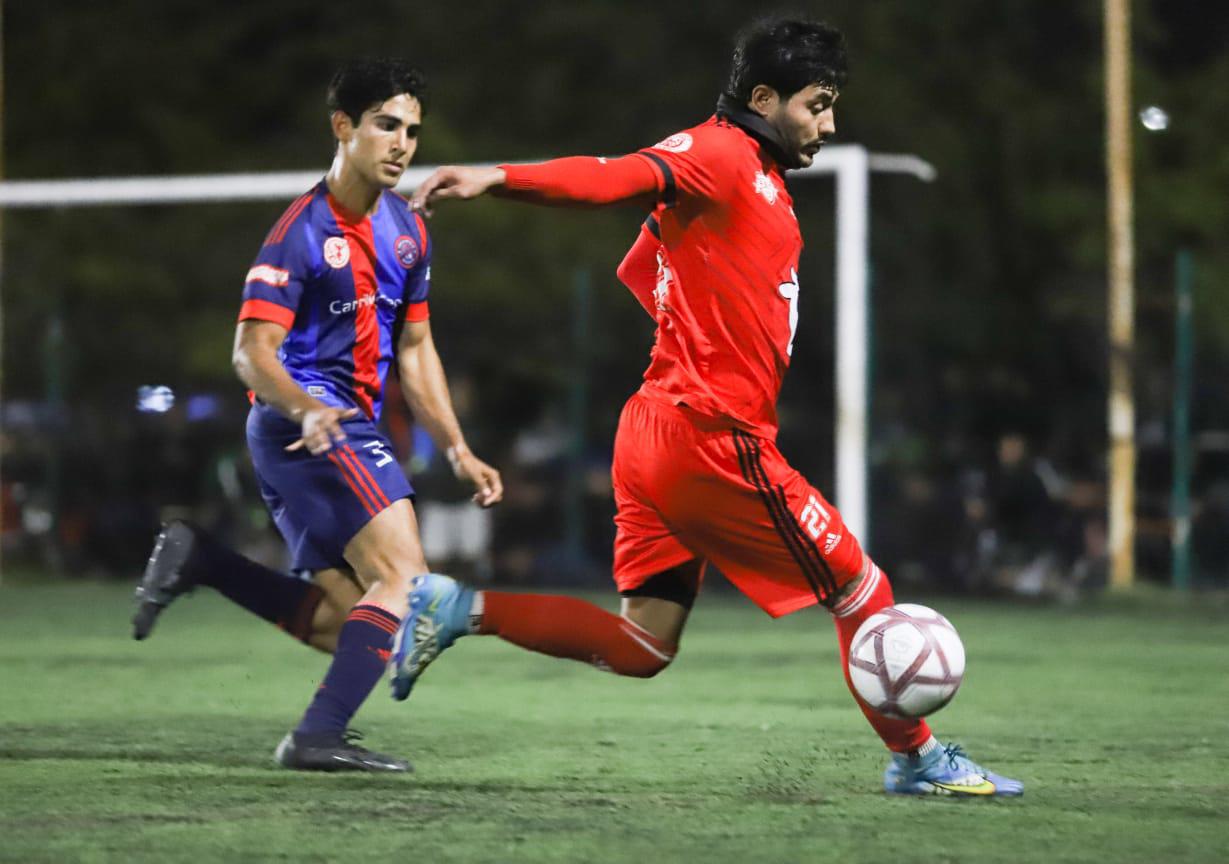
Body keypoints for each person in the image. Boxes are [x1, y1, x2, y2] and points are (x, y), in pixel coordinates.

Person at [391, 17, 1022, 797]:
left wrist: (705, 322)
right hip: (709, 437)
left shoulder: (756, 179)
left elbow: (644, 273)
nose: (828, 124)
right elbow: (613, 176)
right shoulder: (720, 153)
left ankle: (460, 608)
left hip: (653, 428)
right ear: (764, 97)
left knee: (643, 644)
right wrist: (499, 177)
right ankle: (919, 760)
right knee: (863, 591)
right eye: (816, 105)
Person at [131, 58, 503, 773]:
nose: (401, 143)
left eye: (412, 131)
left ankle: (202, 558)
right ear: (343, 127)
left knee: (348, 625)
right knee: (406, 582)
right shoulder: (299, 234)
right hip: (304, 425)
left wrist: (455, 445)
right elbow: (250, 353)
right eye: (385, 125)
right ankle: (314, 738)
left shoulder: (408, 232)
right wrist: (305, 407)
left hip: (332, 428)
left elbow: (417, 347)